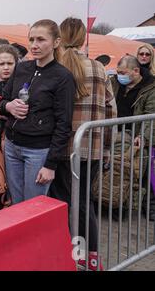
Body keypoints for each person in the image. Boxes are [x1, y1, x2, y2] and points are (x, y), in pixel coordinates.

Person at [49, 17, 117, 271]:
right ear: (82, 38)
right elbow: (112, 111)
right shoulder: (99, 69)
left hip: (62, 149)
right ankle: (91, 258)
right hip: (93, 148)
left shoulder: (56, 66)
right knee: (84, 203)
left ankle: (70, 257)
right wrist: (107, 147)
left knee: (64, 204)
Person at [0, 19, 75, 204]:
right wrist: (8, 107)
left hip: (38, 151)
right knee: (16, 205)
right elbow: (2, 100)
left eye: (41, 40)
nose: (34, 45)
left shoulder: (63, 77)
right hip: (11, 146)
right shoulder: (22, 68)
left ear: (56, 42)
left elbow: (63, 124)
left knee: (33, 208)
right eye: (31, 39)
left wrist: (50, 165)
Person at [112, 55, 155, 222]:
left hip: (134, 136)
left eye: (123, 72)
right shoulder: (115, 83)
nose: (119, 75)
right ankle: (109, 200)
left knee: (130, 172)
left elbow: (150, 114)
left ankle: (123, 204)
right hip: (113, 132)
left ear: (135, 71)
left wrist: (143, 136)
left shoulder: (150, 87)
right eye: (118, 72)